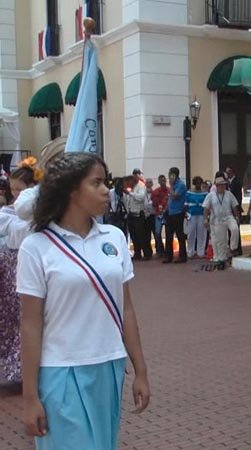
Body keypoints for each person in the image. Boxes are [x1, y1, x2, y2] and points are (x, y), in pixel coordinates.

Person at [17, 152, 149, 449]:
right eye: (96, 183)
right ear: (71, 190)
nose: (106, 190)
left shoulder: (114, 238)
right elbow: (30, 325)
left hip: (108, 365)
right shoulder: (36, 247)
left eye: (106, 182)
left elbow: (126, 309)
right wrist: (30, 397)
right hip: (60, 371)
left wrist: (140, 370)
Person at [0, 163, 39, 385]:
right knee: (13, 316)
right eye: (12, 189)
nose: (15, 194)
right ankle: (16, 367)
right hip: (11, 264)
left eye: (19, 189)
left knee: (28, 314)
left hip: (29, 262)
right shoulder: (8, 212)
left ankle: (26, 368)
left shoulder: (39, 211)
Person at [203, 177, 240, 267]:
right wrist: (205, 219)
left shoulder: (229, 194)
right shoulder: (211, 195)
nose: (222, 187)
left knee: (235, 229)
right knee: (221, 240)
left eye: (224, 185)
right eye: (220, 185)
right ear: (216, 186)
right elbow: (206, 208)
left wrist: (237, 217)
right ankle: (221, 257)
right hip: (217, 219)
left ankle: (233, 248)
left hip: (228, 217)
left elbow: (234, 206)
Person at [123, 173, 151, 261]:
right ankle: (137, 253)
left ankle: (147, 253)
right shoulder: (130, 188)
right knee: (133, 235)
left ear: (132, 181)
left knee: (142, 235)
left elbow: (141, 197)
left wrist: (130, 193)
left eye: (128, 182)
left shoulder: (141, 187)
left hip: (139, 214)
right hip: (131, 214)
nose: (127, 184)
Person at [163, 167, 188, 264]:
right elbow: (170, 199)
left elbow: (175, 196)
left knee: (180, 235)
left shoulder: (180, 185)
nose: (169, 177)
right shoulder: (173, 185)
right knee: (169, 235)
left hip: (178, 213)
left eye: (170, 174)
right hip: (170, 213)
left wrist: (171, 186)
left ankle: (182, 256)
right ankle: (168, 256)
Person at [186, 176, 208, 259]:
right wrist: (186, 214)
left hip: (202, 215)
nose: (198, 184)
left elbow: (207, 205)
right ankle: (190, 252)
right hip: (191, 215)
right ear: (194, 183)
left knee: (202, 233)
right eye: (197, 183)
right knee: (191, 233)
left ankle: (200, 252)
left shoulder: (205, 193)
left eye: (200, 183)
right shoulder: (189, 192)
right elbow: (186, 204)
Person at [225, 166, 243, 257]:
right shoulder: (227, 183)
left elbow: (238, 197)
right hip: (228, 210)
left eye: (229, 172)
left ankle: (237, 249)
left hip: (235, 209)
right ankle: (231, 248)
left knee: (235, 229)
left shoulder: (236, 182)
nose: (227, 174)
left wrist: (236, 209)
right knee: (230, 231)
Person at [150, 175, 169, 257]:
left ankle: (168, 250)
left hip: (167, 214)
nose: (162, 182)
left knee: (169, 233)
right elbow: (153, 204)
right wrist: (156, 211)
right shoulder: (155, 192)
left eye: (164, 180)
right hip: (158, 214)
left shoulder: (169, 191)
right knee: (157, 233)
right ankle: (160, 250)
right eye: (161, 181)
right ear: (158, 182)